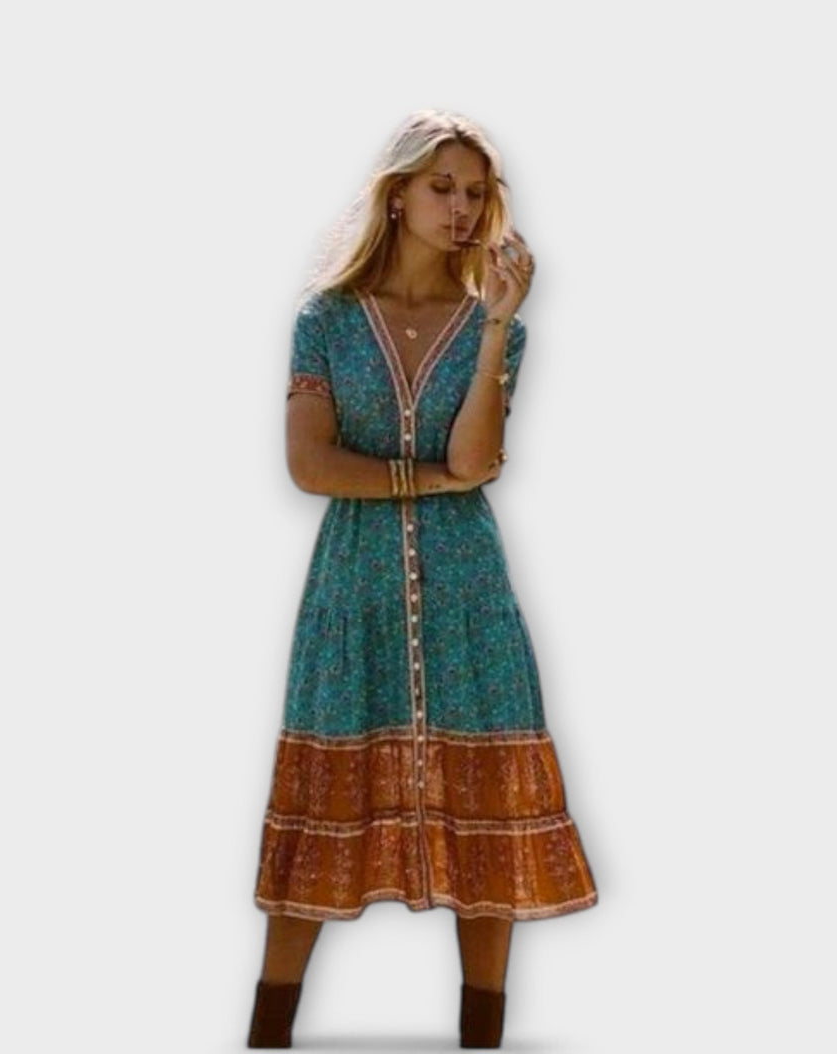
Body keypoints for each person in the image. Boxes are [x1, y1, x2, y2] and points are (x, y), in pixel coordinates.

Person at [247, 109, 598, 1049]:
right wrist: (432, 481)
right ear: (396, 194)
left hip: (468, 596)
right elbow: (311, 465)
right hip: (351, 595)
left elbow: (476, 459)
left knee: (487, 821)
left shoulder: (495, 327)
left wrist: (496, 329)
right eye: (441, 187)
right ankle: (265, 1038)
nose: (460, 207)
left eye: (476, 193)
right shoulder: (325, 319)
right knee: (324, 815)